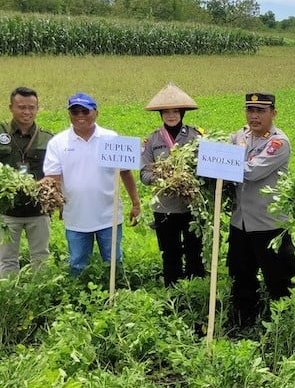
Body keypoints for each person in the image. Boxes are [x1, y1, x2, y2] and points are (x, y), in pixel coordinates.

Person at [43, 92, 141, 276]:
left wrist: (136, 203)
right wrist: (57, 204)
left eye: (85, 111)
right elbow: (52, 179)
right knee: (77, 263)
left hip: (108, 215)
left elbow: (126, 172)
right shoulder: (58, 142)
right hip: (76, 216)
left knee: (113, 261)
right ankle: (78, 297)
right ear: (69, 115)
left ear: (96, 113)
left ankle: (116, 294)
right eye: (75, 112)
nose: (80, 117)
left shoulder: (111, 138)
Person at [227, 92, 295, 329]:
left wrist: (220, 163)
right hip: (241, 222)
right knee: (241, 275)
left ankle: (284, 327)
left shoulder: (278, 142)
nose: (254, 117)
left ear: (273, 113)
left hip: (269, 224)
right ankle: (243, 323)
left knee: (278, 280)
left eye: (260, 111)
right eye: (250, 111)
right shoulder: (240, 135)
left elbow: (251, 171)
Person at [140, 83, 205, 287]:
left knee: (195, 249)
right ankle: (173, 289)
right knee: (170, 252)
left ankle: (196, 288)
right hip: (165, 207)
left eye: (175, 111)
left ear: (182, 112)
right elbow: (144, 173)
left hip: (192, 206)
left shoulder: (197, 136)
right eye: (166, 112)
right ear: (161, 114)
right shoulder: (151, 140)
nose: (171, 115)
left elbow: (206, 167)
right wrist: (163, 179)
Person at [0, 87, 54, 276]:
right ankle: (9, 298)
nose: (27, 112)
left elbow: (55, 172)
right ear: (11, 108)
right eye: (21, 107)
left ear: (37, 108)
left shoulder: (47, 139)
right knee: (6, 260)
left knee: (41, 257)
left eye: (31, 108)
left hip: (38, 210)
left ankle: (39, 294)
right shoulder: (1, 134)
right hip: (7, 211)